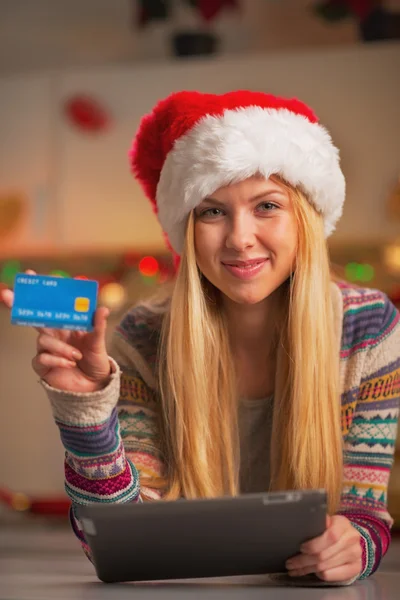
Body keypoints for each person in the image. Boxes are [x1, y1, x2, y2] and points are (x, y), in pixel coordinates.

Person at [2, 91, 399, 584]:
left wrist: (355, 546)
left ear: (307, 219)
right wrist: (85, 413)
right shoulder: (143, 338)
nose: (238, 237)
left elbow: (366, 515)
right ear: (187, 228)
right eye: (212, 212)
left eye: (267, 206)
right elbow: (116, 538)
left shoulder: (368, 328)